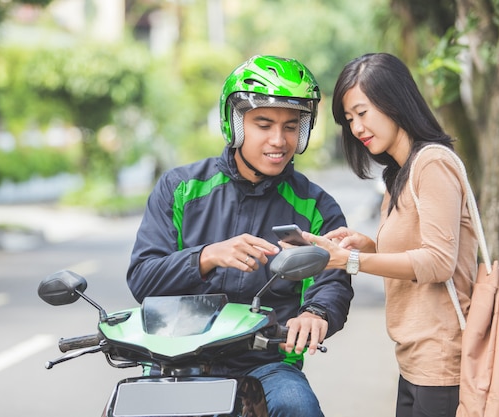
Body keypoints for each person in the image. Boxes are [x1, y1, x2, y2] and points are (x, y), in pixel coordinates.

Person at [126, 54, 354, 417]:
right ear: (235, 123)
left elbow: (333, 276)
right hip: (176, 360)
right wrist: (206, 257)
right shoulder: (180, 188)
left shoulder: (315, 205)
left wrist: (316, 312)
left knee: (299, 407)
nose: (279, 140)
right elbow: (142, 277)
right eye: (263, 124)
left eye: (291, 127)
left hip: (266, 361)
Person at [298, 53, 478, 417]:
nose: (357, 128)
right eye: (349, 119)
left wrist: (351, 260)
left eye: (363, 113)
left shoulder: (433, 163)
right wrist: (372, 245)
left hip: (441, 359)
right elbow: (420, 250)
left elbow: (439, 263)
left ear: (394, 102)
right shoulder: (399, 174)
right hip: (414, 357)